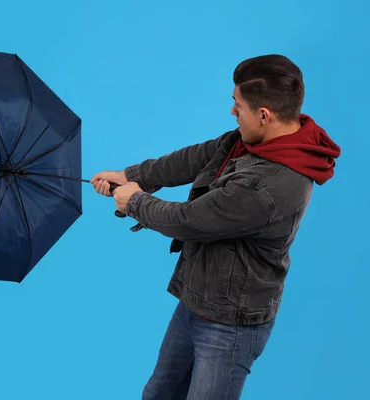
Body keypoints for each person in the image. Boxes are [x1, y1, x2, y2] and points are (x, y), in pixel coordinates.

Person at [91, 54, 341, 399]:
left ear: (264, 115)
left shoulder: (269, 185)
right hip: (197, 301)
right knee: (158, 394)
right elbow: (200, 155)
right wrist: (133, 177)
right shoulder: (255, 139)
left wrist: (134, 202)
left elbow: (189, 220)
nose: (233, 112)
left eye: (237, 105)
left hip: (230, 325)